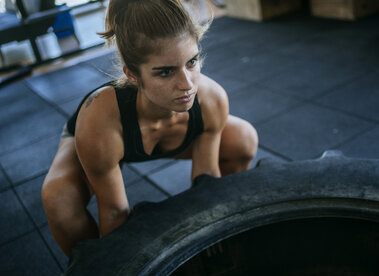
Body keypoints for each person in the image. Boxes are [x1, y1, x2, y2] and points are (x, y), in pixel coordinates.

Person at [41, 0, 258, 257]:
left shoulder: (212, 98)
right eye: (165, 72)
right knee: (59, 200)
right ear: (132, 75)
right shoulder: (98, 118)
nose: (187, 84)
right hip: (110, 137)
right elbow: (114, 212)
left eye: (192, 62)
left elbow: (206, 182)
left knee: (243, 139)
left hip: (173, 132)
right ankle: (87, 271)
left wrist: (211, 233)